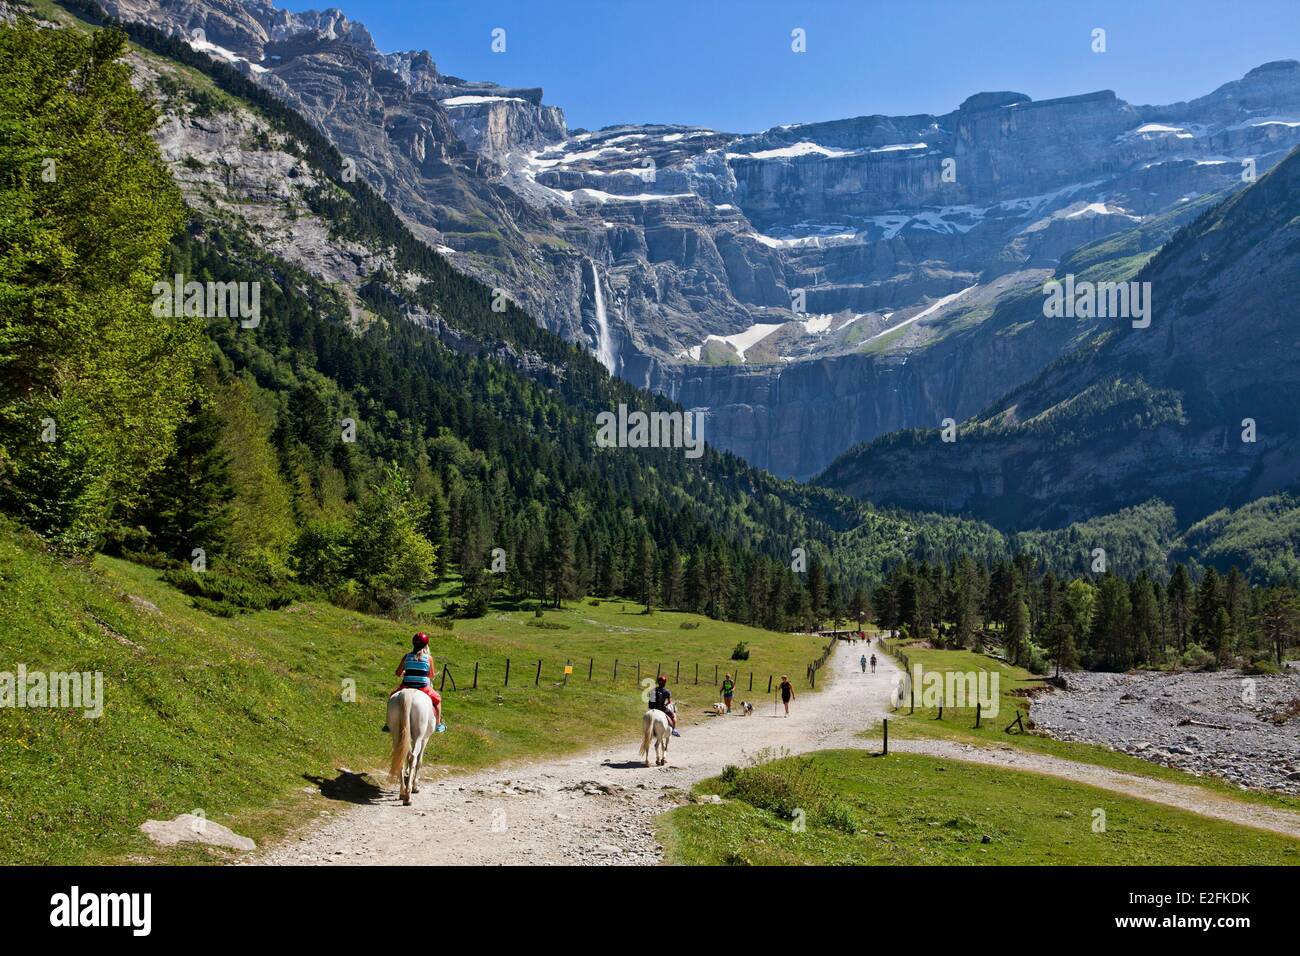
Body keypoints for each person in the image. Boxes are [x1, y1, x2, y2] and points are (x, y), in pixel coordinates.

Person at [383, 632, 443, 733]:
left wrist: (405, 673)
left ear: (413, 643)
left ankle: (388, 724)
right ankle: (438, 724)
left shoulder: (407, 656)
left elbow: (398, 673)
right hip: (423, 687)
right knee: (437, 700)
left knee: (392, 696)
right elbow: (431, 675)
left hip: (406, 686)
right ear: (426, 645)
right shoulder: (429, 658)